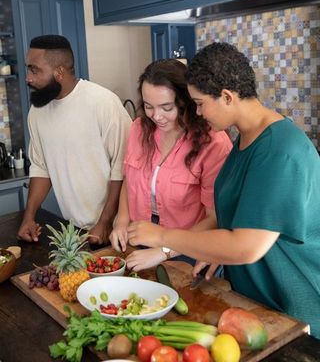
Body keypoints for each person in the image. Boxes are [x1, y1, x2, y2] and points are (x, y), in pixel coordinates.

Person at [127, 42, 320, 338]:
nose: (198, 112)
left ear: (227, 97)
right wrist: (210, 248)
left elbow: (246, 245)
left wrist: (163, 238)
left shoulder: (281, 151)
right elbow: (231, 215)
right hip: (260, 303)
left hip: (297, 307)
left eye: (201, 103)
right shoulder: (245, 140)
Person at [110, 58, 232, 270]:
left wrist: (164, 251)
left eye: (167, 107)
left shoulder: (213, 142)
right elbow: (130, 178)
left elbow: (214, 218)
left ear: (187, 102)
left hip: (189, 251)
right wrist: (121, 222)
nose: (156, 116)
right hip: (139, 242)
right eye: (148, 106)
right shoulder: (139, 128)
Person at [17, 35, 132, 245]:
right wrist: (29, 216)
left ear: (59, 72)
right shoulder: (37, 112)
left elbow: (122, 168)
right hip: (77, 229)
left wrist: (105, 222)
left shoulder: (103, 103)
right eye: (28, 69)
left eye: (35, 70)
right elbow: (41, 168)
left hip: (118, 229)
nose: (28, 78)